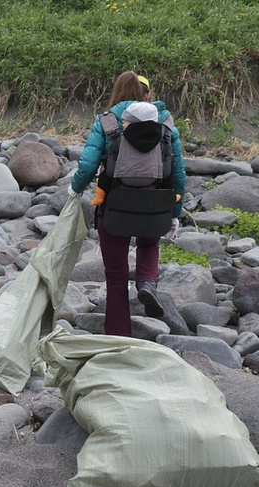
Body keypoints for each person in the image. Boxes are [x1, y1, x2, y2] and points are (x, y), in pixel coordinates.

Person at [69, 71, 186, 337]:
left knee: (117, 276)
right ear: (147, 96)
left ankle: (118, 336)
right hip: (155, 206)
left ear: (118, 94)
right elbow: (178, 174)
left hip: (115, 207)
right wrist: (175, 213)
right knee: (148, 243)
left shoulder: (107, 122)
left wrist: (74, 189)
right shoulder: (167, 126)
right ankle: (146, 281)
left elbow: (88, 165)